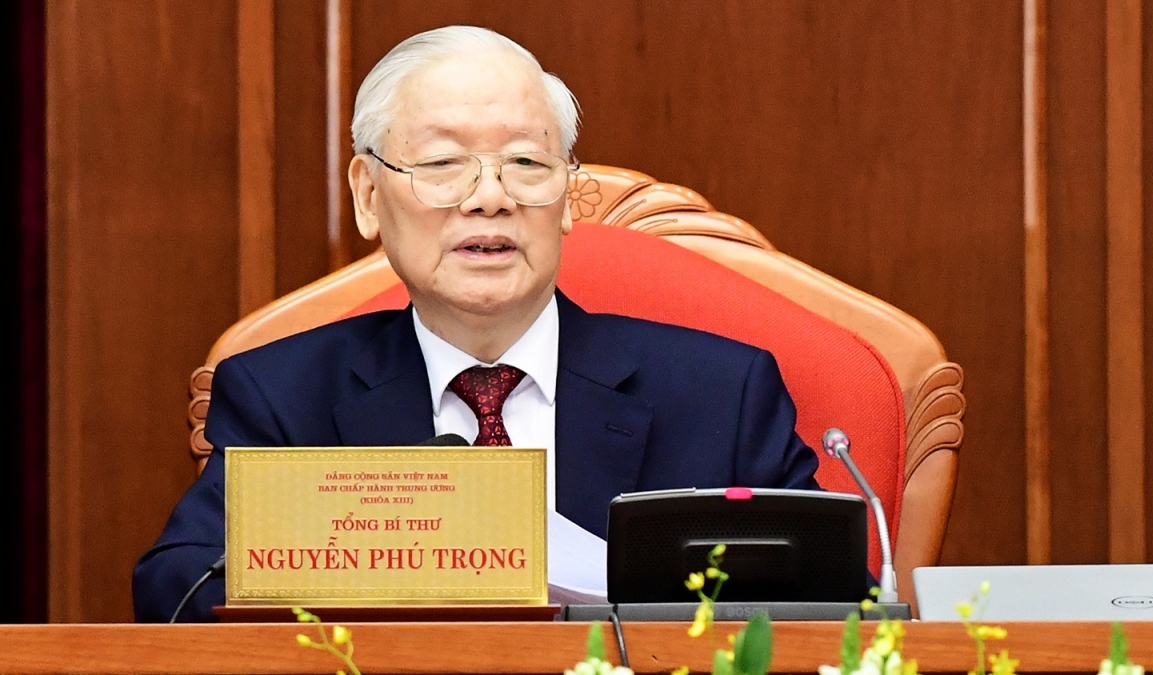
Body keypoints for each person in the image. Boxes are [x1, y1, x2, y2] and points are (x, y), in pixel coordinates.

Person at [132, 25, 820, 622]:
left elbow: (833, 598)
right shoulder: (283, 395)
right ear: (369, 197)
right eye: (442, 164)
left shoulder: (720, 394)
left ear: (567, 198)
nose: (490, 198)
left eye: (525, 163)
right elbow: (175, 587)